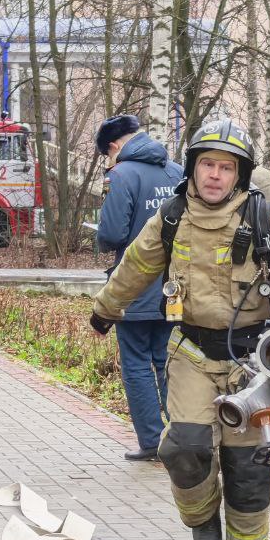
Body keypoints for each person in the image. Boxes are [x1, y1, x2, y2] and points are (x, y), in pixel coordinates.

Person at [89, 119, 270, 540]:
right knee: (183, 446)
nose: (215, 175)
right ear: (193, 168)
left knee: (247, 463)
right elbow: (137, 263)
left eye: (226, 167)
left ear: (240, 174)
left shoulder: (265, 220)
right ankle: (200, 516)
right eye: (208, 164)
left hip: (250, 364)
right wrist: (106, 309)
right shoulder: (173, 216)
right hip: (192, 351)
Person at [94, 114, 183, 461]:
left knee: (135, 363)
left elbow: (112, 234)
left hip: (133, 287)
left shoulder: (120, 175)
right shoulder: (176, 172)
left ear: (114, 146)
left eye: (107, 154)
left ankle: (152, 441)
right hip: (173, 287)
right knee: (167, 360)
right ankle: (180, 436)